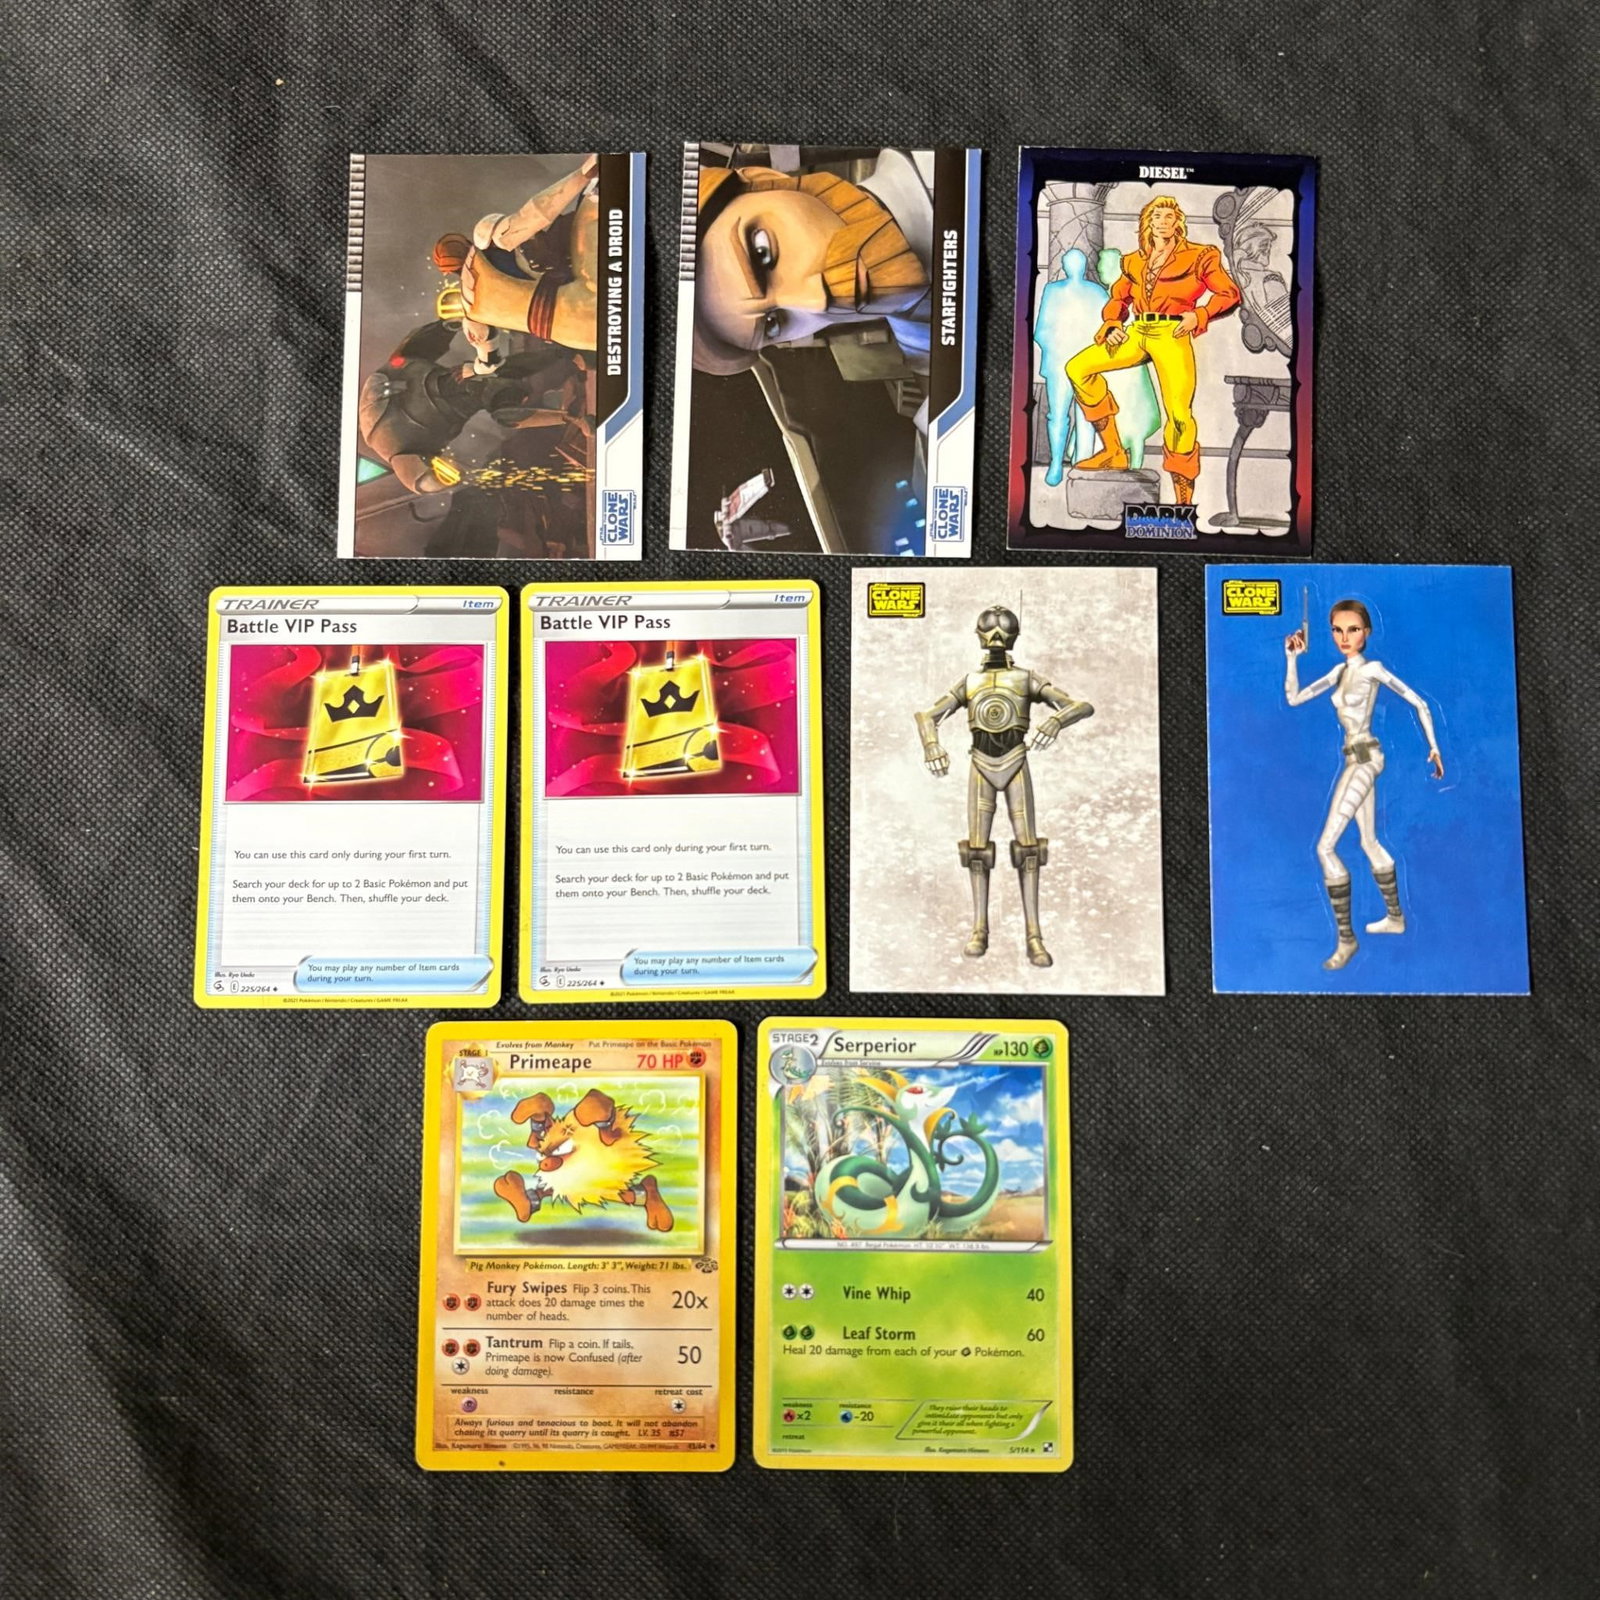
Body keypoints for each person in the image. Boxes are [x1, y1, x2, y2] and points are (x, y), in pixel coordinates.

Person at [915, 606, 1093, 968]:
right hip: (981, 763)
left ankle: (1034, 936)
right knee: (976, 852)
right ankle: (979, 929)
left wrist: (1057, 720)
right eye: (991, 631)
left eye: (1002, 631)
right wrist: (931, 744)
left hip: (1015, 760)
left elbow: (1081, 705)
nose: (996, 638)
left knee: (1029, 850)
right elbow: (926, 716)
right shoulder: (970, 681)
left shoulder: (1026, 679)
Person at [1285, 599, 1445, 971]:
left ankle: (1347, 940)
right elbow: (1294, 699)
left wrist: (1434, 747)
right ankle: (1396, 918)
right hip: (1353, 760)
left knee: (1325, 848)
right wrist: (1291, 659)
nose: (1344, 637)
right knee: (1369, 842)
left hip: (1365, 759)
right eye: (1337, 630)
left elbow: (1419, 703)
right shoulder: (1339, 672)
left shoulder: (1372, 669)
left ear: (1366, 633)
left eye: (1353, 629)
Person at [689, 150, 932, 377]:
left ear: (765, 179)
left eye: (763, 254)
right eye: (772, 324)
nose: (817, 301)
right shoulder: (925, 348)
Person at [1064, 195, 1241, 505]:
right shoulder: (1134, 261)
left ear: (1178, 223)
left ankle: (1183, 501)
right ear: (1147, 222)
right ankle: (1113, 451)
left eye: (1169, 217)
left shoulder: (1200, 256)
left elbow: (1229, 294)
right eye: (1156, 216)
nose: (1162, 222)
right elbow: (1119, 298)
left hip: (1172, 334)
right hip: (1137, 331)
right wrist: (1112, 324)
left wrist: (1199, 315)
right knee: (1077, 368)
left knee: (1180, 416)